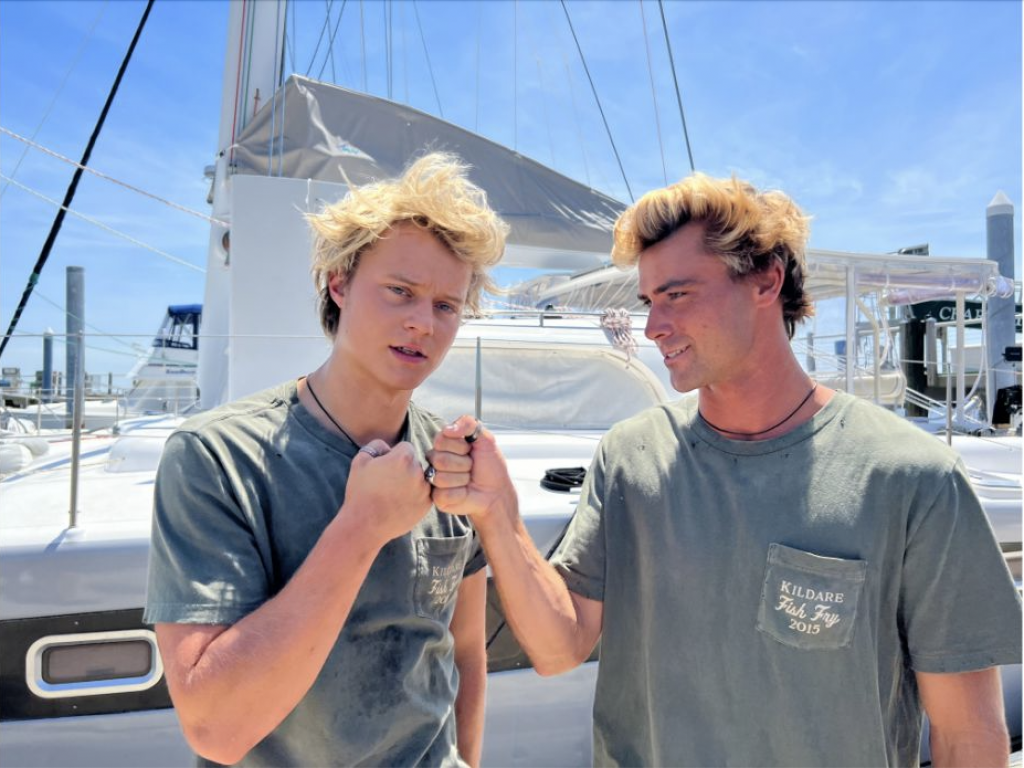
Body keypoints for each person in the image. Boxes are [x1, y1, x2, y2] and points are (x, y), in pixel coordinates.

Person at [430, 173, 1022, 767]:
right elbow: (559, 650)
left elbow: (969, 737)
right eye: (650, 301)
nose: (654, 326)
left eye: (678, 295)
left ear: (767, 280)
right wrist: (499, 514)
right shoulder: (629, 459)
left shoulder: (914, 478)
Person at [144, 152, 508, 767]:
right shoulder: (216, 458)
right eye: (400, 291)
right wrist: (361, 528)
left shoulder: (453, 456)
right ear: (339, 283)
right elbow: (215, 728)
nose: (423, 322)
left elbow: (465, 650)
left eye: (447, 305)